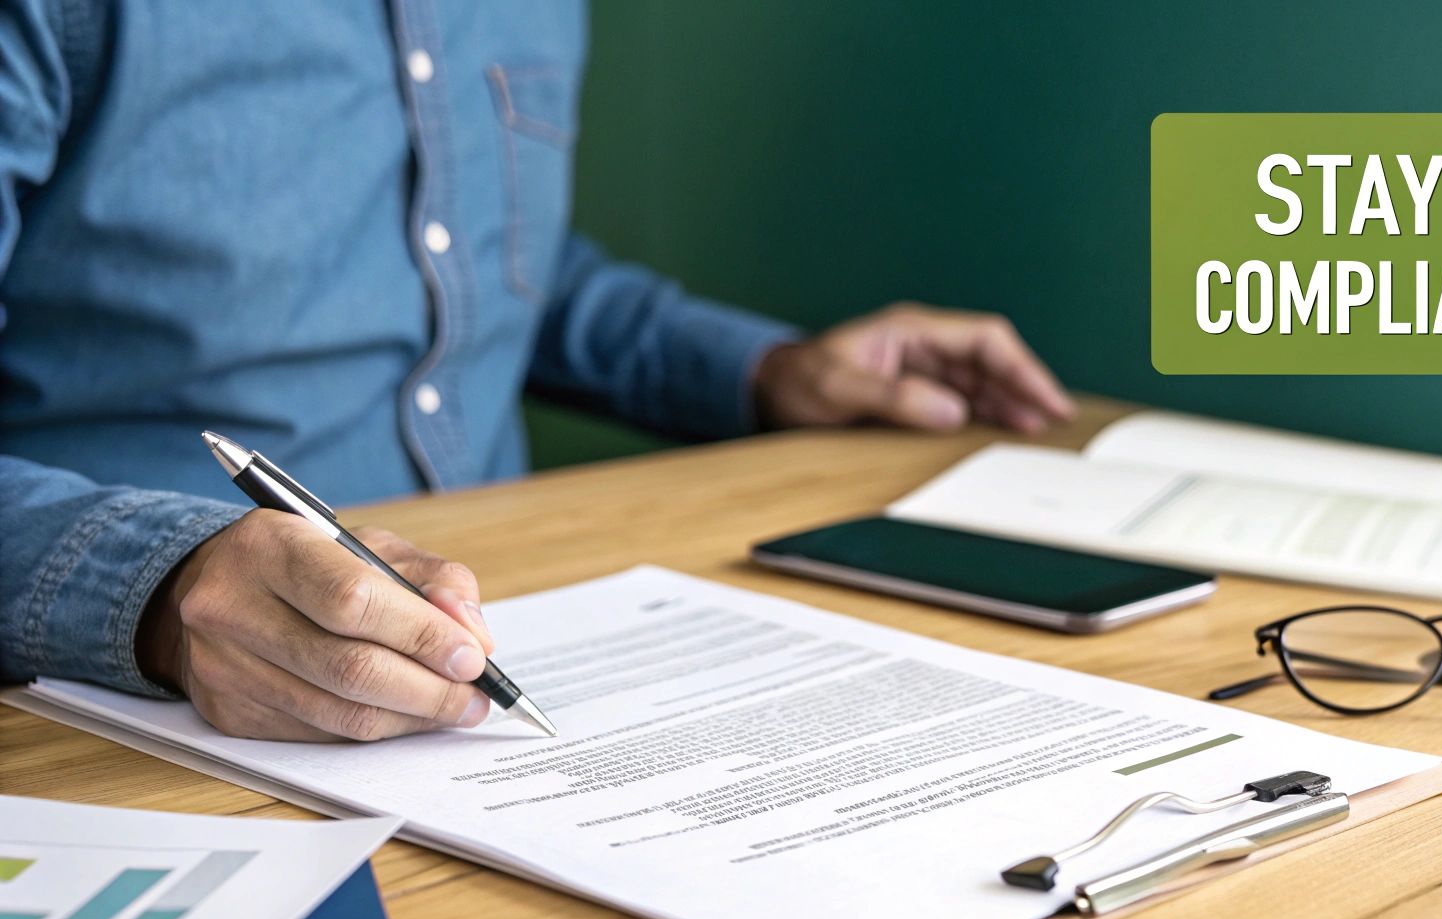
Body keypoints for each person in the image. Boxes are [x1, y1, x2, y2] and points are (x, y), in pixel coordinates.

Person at [0, 2, 1074, 741]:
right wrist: (162, 586)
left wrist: (764, 373)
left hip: (504, 636)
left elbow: (478, 264)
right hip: (128, 730)